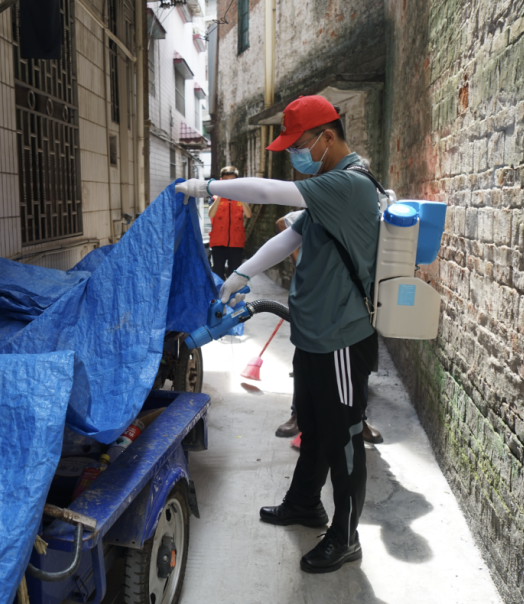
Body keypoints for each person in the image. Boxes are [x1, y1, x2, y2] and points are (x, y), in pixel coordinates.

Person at [175, 95, 382, 573]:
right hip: (312, 333)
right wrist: (240, 274)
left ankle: (346, 536)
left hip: (340, 338)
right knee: (313, 424)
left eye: (298, 145)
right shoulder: (330, 186)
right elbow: (292, 236)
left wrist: (208, 186)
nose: (294, 155)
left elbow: (269, 192)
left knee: (343, 437)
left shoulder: (349, 183)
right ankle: (305, 503)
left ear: (327, 137)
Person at [274, 209, 383, 444]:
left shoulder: (369, 213)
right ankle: (299, 415)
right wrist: (299, 258)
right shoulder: (322, 207)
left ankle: (358, 419)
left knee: (356, 365)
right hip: (317, 300)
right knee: (305, 359)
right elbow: (284, 222)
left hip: (355, 298)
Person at [207, 166, 252, 280]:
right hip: (218, 243)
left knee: (234, 276)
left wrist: (240, 197)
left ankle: (232, 292)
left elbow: (248, 214)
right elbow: (211, 214)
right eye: (226, 180)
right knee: (217, 274)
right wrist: (220, 195)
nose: (229, 183)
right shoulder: (214, 197)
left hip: (236, 243)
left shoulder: (241, 197)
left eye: (232, 180)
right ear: (221, 180)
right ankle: (219, 291)